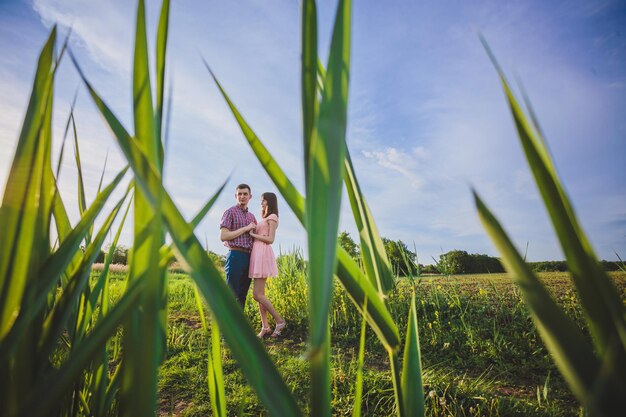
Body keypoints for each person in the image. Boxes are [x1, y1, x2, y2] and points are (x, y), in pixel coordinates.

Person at [248, 192, 286, 338]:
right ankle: (265, 327)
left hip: (263, 252)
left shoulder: (272, 217)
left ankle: (279, 321)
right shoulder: (264, 218)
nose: (261, 203)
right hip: (257, 253)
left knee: (257, 294)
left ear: (269, 202)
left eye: (263, 201)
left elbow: (270, 239)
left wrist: (253, 235)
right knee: (259, 294)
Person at [220, 184, 257, 308]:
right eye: (239, 194)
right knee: (231, 293)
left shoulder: (252, 217)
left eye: (245, 194)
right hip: (235, 255)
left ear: (250, 196)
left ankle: (238, 326)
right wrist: (246, 228)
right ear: (235, 196)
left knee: (242, 295)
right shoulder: (229, 212)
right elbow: (223, 236)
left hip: (249, 257)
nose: (242, 196)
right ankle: (224, 326)